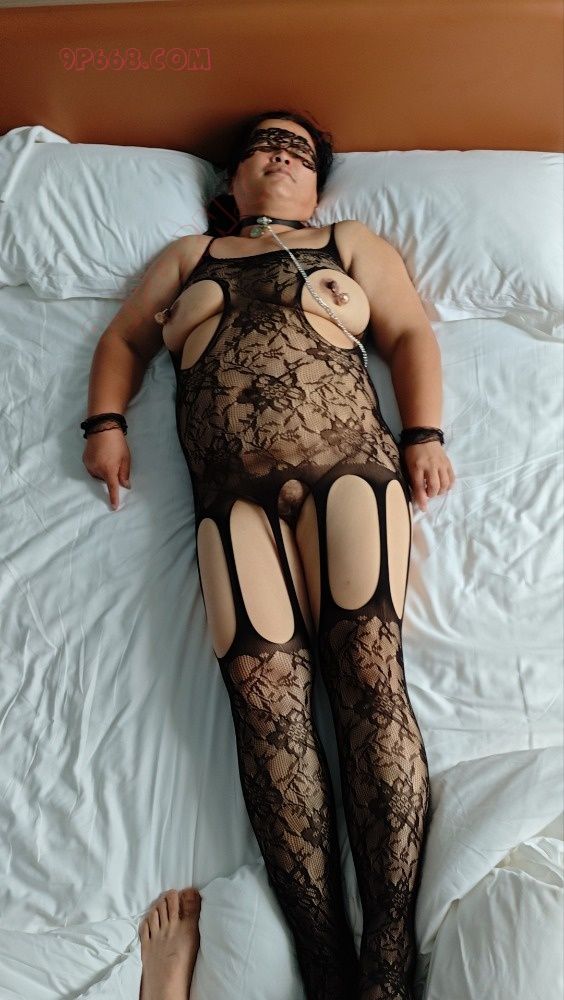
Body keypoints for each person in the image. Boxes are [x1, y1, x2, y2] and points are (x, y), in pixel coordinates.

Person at [81, 109, 455, 1000]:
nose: (281, 157)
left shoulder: (347, 242)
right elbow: (124, 339)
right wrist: (104, 422)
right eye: (264, 145)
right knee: (261, 700)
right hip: (230, 498)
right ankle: (325, 966)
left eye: (299, 150)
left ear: (318, 182)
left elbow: (408, 332)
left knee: (368, 674)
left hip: (350, 474)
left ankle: (387, 963)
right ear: (232, 180)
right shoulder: (188, 258)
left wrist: (424, 434)